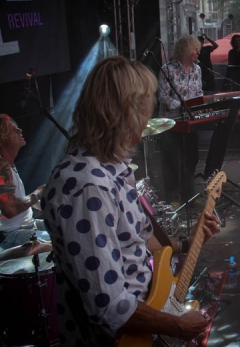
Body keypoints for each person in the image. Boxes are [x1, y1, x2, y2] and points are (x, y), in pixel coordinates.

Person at [41, 56, 222, 346]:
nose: (149, 115)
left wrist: (190, 242)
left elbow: (139, 243)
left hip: (147, 321)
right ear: (125, 113)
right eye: (145, 106)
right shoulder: (88, 187)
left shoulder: (113, 167)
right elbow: (108, 306)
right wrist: (176, 325)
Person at [0, 114, 48, 252]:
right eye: (13, 129)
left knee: (68, 226)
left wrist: (42, 205)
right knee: (61, 239)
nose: (20, 130)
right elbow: (10, 210)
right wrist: (37, 194)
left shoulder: (6, 164)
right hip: (6, 238)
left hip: (27, 226)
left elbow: (12, 203)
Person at [158, 35, 203, 203]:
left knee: (191, 159)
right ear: (185, 50)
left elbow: (199, 93)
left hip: (190, 121)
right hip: (170, 121)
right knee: (172, 160)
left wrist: (200, 107)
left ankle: (189, 195)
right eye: (195, 49)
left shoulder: (197, 70)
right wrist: (181, 106)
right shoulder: (167, 69)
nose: (198, 52)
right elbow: (163, 97)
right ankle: (173, 197)